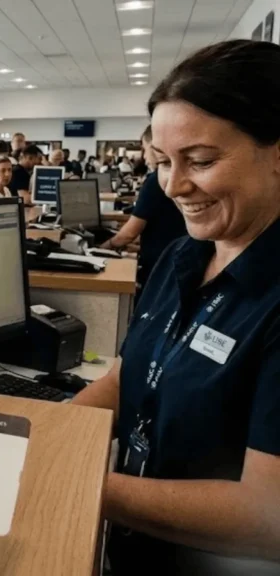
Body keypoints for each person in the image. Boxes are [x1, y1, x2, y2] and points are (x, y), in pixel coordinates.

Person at [72, 40, 280, 576]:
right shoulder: (184, 257)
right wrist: (46, 434)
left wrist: (72, 478)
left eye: (201, 161)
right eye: (162, 163)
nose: (173, 185)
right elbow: (129, 377)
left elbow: (269, 516)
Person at [100, 126, 187, 295]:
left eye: (145, 149)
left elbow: (129, 233)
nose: (145, 156)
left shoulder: (155, 181)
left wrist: (104, 247)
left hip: (161, 266)